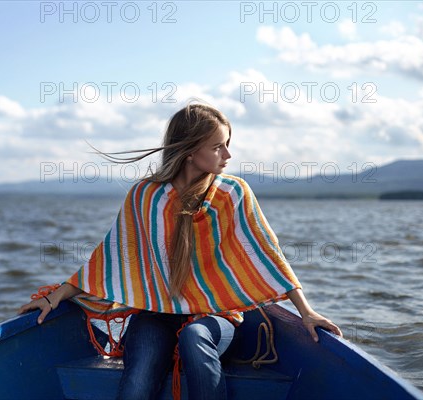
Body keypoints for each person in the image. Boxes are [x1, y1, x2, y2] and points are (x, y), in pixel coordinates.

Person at [18, 103, 342, 400]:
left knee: (195, 338)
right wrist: (55, 295)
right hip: (157, 312)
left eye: (229, 144)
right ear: (189, 151)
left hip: (217, 314)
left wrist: (307, 312)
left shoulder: (233, 193)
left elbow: (266, 254)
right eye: (218, 146)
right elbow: (111, 257)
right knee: (137, 382)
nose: (227, 155)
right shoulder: (145, 195)